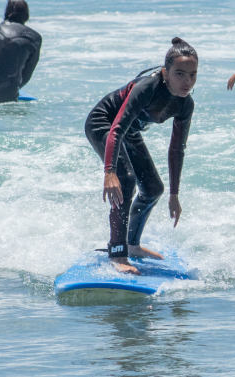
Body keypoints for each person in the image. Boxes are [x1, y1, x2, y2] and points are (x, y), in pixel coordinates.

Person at [84, 38, 198, 275]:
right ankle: (117, 253)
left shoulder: (185, 105)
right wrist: (109, 172)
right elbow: (116, 128)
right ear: (165, 72)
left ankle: (132, 245)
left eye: (192, 75)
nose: (187, 82)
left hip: (129, 132)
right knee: (125, 180)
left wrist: (174, 194)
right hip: (104, 124)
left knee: (154, 188)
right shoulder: (147, 87)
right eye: (180, 74)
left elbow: (176, 149)